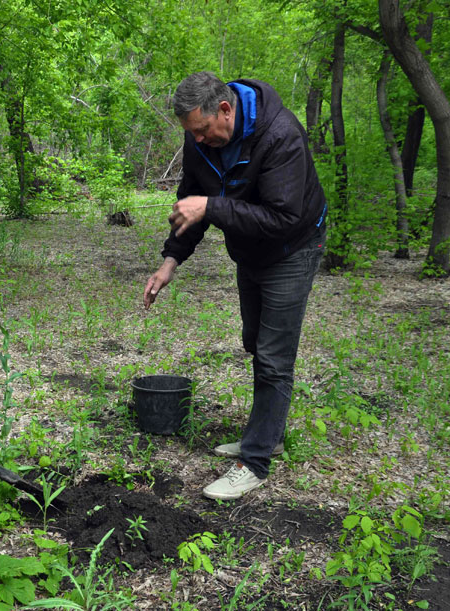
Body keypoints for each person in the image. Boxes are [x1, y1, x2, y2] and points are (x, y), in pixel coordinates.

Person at [144, 72, 327, 500]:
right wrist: (171, 260)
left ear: (225, 110)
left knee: (273, 356)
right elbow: (191, 205)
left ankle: (256, 461)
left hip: (292, 248)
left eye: (204, 130)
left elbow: (282, 217)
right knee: (254, 342)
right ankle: (268, 433)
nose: (200, 140)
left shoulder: (281, 136)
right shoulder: (201, 140)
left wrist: (213, 206)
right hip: (251, 251)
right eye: (193, 134)